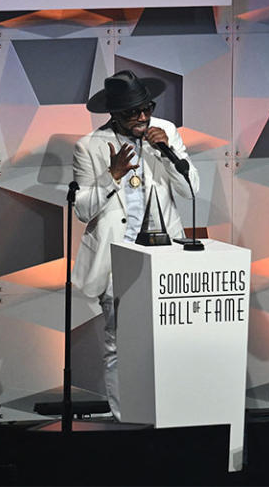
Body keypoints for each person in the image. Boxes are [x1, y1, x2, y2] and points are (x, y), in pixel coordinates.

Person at [72, 70, 199, 419]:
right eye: (132, 113)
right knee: (119, 346)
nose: (142, 118)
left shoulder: (167, 132)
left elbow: (191, 190)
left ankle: (172, 416)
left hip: (165, 256)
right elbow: (83, 211)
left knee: (170, 341)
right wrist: (110, 178)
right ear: (114, 114)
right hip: (117, 260)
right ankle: (124, 419)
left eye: (145, 108)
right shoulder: (90, 147)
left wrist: (167, 151)